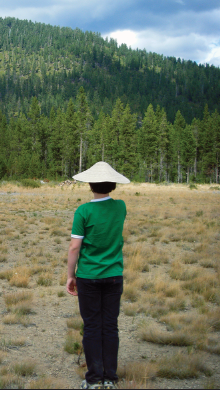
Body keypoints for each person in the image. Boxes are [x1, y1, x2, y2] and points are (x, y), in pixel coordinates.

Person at [66, 161, 130, 390]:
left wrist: (70, 275)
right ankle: (110, 378)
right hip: (114, 275)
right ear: (113, 183)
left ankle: (94, 379)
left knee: (92, 326)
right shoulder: (120, 207)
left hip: (88, 276)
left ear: (90, 183)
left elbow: (74, 248)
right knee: (110, 325)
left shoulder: (83, 211)